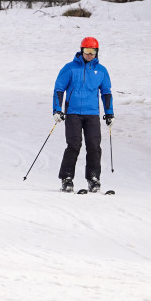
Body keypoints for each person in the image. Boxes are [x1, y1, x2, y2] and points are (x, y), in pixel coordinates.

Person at [52, 36, 114, 192]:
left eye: (93, 51)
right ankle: (66, 179)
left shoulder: (101, 70)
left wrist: (109, 113)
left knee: (94, 146)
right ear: (81, 51)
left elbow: (106, 92)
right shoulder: (70, 68)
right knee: (74, 145)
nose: (89, 54)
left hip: (92, 114)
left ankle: (93, 179)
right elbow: (59, 89)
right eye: (87, 51)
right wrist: (57, 110)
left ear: (97, 52)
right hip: (73, 113)